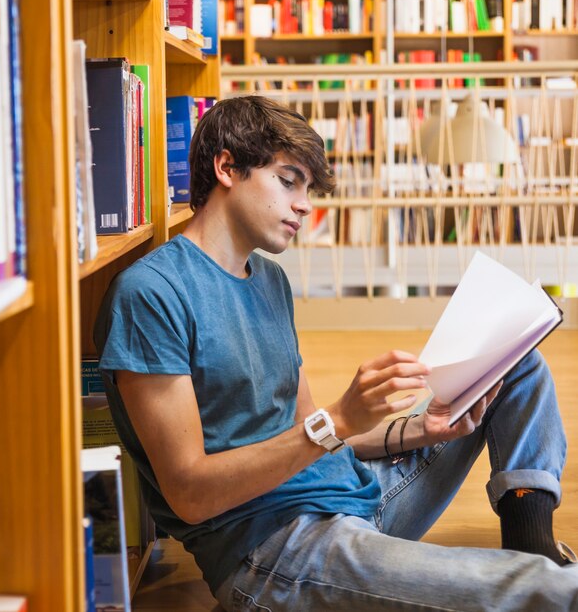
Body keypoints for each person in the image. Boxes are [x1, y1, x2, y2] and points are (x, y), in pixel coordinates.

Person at [94, 95, 578, 611]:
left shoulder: (269, 280)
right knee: (545, 590)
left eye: (307, 188)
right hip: (277, 548)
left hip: (357, 495)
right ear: (227, 167)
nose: (305, 205)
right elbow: (190, 494)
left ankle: (532, 543)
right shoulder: (151, 293)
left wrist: (422, 428)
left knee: (514, 363)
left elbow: (308, 429)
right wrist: (340, 418)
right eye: (288, 181)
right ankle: (537, 572)